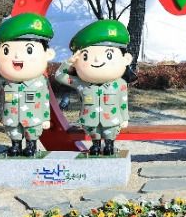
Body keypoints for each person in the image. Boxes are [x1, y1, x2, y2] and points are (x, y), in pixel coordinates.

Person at [0, 12, 55, 156]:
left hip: (33, 119)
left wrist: (46, 118)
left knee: (32, 132)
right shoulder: (5, 82)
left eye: (29, 50)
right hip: (11, 119)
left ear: (48, 55)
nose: (16, 56)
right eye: (7, 50)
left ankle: (31, 146)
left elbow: (45, 101)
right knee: (14, 133)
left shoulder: (39, 82)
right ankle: (16, 146)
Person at [55, 20, 132, 156]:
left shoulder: (120, 84)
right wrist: (68, 62)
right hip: (90, 121)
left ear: (125, 59)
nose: (96, 60)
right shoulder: (81, 83)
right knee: (94, 135)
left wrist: (125, 118)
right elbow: (59, 76)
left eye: (109, 55)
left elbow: (123, 102)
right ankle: (95, 145)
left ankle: (109, 145)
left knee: (110, 134)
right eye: (85, 56)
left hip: (112, 120)